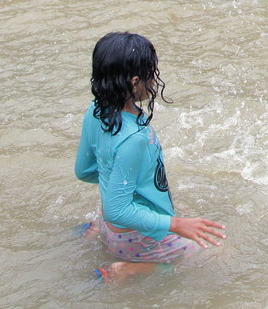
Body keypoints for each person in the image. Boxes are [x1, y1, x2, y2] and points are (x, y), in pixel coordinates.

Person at [75, 31, 226, 284]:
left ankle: (95, 231)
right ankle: (129, 271)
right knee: (217, 254)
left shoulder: (95, 110)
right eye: (152, 74)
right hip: (135, 238)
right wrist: (176, 224)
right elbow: (118, 209)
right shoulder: (134, 138)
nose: (155, 81)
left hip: (110, 226)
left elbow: (84, 170)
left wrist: (115, 186)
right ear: (135, 83)